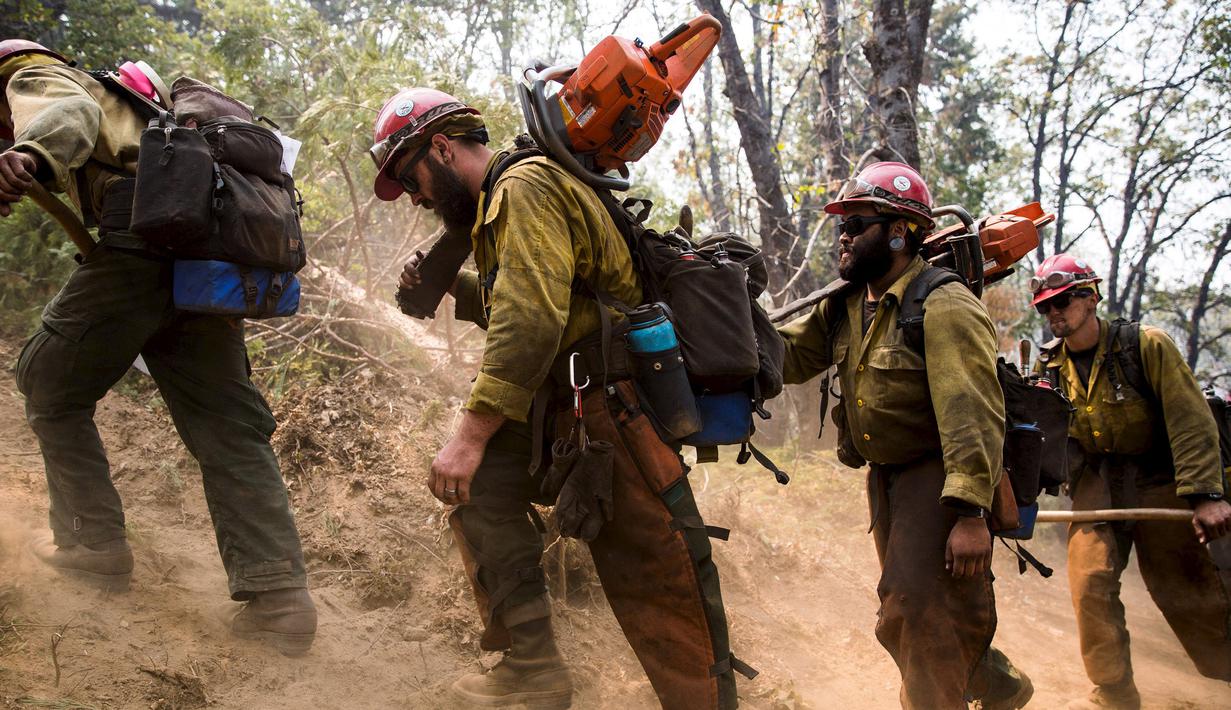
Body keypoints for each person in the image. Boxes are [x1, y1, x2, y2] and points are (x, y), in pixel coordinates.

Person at [371, 87, 748, 709]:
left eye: (409, 177)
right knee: (484, 490)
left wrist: (467, 436)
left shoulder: (525, 188)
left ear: (440, 148)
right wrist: (454, 289)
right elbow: (542, 295)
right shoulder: (505, 196)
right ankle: (532, 670)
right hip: (566, 400)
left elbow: (532, 323)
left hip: (609, 404)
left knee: (659, 570)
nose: (413, 195)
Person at [0, 40, 316, 656]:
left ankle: (93, 544)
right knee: (228, 425)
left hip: (142, 251)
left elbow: (64, 112)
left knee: (48, 379)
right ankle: (280, 600)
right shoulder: (140, 107)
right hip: (200, 262)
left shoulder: (34, 74)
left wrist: (28, 156)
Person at [776, 162, 1032, 709]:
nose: (843, 236)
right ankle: (998, 685)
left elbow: (974, 414)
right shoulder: (845, 305)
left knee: (914, 611)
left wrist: (969, 515)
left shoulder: (943, 304)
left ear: (898, 232)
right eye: (842, 224)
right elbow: (784, 355)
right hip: (886, 481)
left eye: (857, 223)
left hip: (938, 478)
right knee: (916, 611)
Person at [1030, 254, 1231, 709]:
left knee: (1186, 595)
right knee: (1090, 585)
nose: (1054, 313)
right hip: (1097, 483)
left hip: (1161, 478)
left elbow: (1191, 421)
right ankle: (1115, 696)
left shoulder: (1147, 346)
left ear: (1090, 296)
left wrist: (1206, 496)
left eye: (1062, 300)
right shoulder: (1050, 369)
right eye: (1045, 307)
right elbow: (1046, 443)